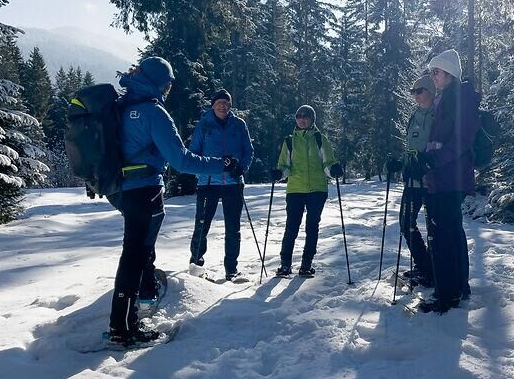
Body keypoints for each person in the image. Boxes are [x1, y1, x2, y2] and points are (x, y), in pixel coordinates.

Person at [106, 57, 241, 345]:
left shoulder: (123, 104)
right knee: (135, 255)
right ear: (158, 82)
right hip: (145, 189)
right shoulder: (152, 111)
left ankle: (129, 317)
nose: (168, 90)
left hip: (122, 188)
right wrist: (221, 165)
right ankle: (123, 327)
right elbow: (181, 160)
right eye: (167, 84)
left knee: (135, 252)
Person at [407, 49, 480, 313]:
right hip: (445, 176)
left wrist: (432, 160)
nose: (433, 76)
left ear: (449, 73)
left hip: (450, 177)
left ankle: (446, 294)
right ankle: (458, 287)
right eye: (432, 72)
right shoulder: (448, 98)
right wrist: (425, 158)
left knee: (441, 235)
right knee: (452, 231)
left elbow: (461, 141)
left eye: (436, 72)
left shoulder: (458, 99)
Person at [270, 105, 343, 278]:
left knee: (312, 228)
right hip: (295, 189)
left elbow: (327, 163)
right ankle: (285, 265)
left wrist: (333, 171)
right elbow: (285, 166)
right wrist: (279, 173)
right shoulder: (289, 141)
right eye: (298, 116)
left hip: (317, 190)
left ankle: (306, 265)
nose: (302, 119)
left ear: (312, 119)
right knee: (291, 227)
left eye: (306, 116)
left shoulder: (320, 139)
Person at [188, 89, 254, 280]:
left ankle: (231, 269)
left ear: (230, 105)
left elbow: (248, 150)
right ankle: (196, 265)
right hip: (208, 183)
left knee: (233, 227)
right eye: (219, 103)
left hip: (233, 182)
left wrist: (241, 168)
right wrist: (205, 169)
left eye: (226, 102)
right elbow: (194, 152)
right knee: (202, 225)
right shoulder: (205, 124)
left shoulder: (239, 124)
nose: (223, 106)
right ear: (213, 105)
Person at [387, 74, 436, 287]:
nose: (415, 95)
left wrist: (425, 163)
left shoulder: (439, 114)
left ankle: (433, 269)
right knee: (406, 224)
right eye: (413, 92)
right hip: (411, 182)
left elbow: (441, 148)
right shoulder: (414, 116)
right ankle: (425, 266)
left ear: (430, 91)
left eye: (419, 91)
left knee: (435, 229)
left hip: (433, 182)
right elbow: (410, 148)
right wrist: (400, 163)